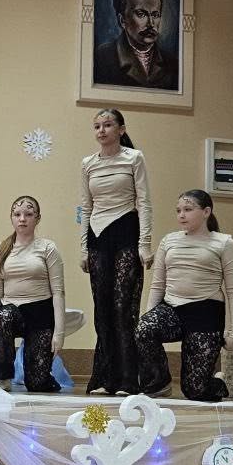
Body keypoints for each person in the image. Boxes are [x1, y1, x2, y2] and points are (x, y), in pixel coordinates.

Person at [137, 190, 233, 401]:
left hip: (205, 314)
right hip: (172, 309)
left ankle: (216, 382)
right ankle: (158, 383)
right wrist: (148, 319)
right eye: (178, 211)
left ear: (206, 212)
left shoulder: (224, 243)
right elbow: (157, 285)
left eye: (188, 209)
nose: (181, 215)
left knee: (195, 390)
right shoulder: (168, 241)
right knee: (144, 329)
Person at [80, 108, 152, 396]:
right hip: (98, 236)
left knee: (123, 307)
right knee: (103, 309)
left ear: (121, 129)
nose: (102, 130)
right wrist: (83, 248)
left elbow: (144, 202)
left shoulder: (134, 158)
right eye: (97, 126)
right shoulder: (88, 163)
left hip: (126, 231)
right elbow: (86, 206)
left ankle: (127, 380)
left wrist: (144, 244)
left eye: (108, 125)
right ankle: (104, 378)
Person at [0, 196, 64, 392]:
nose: (22, 219)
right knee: (3, 317)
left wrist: (59, 334)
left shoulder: (48, 248)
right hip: (12, 311)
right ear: (11, 217)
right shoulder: (0, 249)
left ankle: (43, 375)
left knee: (37, 384)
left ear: (37, 218)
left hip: (40, 314)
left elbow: (58, 292)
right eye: (17, 214)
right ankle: (3, 378)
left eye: (28, 214)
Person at [92, 0, 178, 90]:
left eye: (155, 15)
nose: (151, 24)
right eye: (141, 14)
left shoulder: (173, 64)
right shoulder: (101, 58)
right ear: (122, 20)